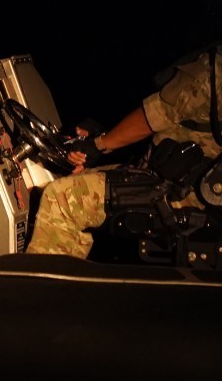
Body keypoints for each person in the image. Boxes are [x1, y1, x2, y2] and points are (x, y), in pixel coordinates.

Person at [26, 41, 222, 259]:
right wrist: (104, 132)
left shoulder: (215, 70)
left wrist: (98, 144)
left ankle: (41, 281)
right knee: (67, 182)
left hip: (182, 194)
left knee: (62, 198)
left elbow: (154, 116)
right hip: (172, 180)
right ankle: (63, 273)